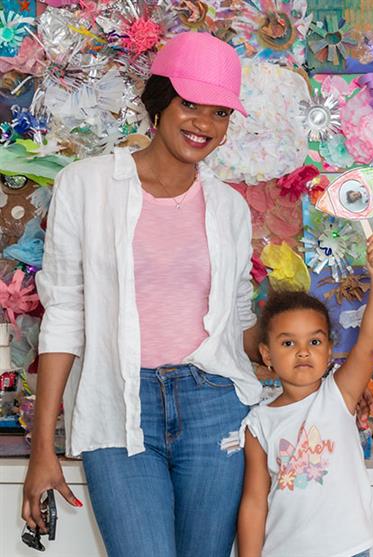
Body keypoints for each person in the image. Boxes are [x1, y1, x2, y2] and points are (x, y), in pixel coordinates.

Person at [22, 32, 261, 557]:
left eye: (220, 112)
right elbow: (63, 316)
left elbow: (238, 316)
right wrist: (44, 446)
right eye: (189, 104)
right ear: (159, 103)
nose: (203, 124)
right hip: (118, 405)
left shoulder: (230, 209)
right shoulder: (86, 186)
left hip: (213, 406)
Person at [237, 234, 373, 557]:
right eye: (288, 343)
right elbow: (253, 501)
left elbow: (369, 344)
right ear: (267, 354)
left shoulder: (340, 394)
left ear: (330, 349)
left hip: (348, 549)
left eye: (315, 342)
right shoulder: (258, 423)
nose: (303, 352)